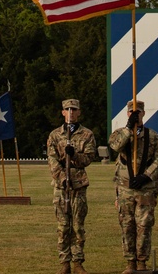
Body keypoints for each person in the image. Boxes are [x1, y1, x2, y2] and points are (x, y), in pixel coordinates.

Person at [108, 99, 158, 273]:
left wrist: (146, 176)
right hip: (125, 189)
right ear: (127, 114)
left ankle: (142, 261)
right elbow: (116, 146)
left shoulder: (153, 136)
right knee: (127, 225)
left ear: (144, 113)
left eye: (138, 112)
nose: (135, 114)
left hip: (145, 189)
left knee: (144, 225)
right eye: (132, 112)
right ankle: (130, 262)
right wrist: (128, 128)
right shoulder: (119, 133)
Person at [48, 98, 98, 274]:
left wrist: (75, 154)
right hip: (62, 187)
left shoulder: (87, 135)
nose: (70, 112)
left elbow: (89, 158)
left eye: (74, 109)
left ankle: (78, 261)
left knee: (78, 225)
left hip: (78, 184)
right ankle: (64, 262)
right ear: (63, 112)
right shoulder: (55, 135)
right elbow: (52, 160)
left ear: (79, 112)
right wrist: (62, 178)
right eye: (67, 109)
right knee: (63, 226)